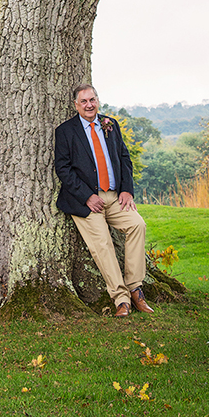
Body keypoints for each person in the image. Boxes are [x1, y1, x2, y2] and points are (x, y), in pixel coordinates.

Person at [54, 83, 153, 318]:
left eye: (92, 100)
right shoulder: (66, 131)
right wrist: (87, 196)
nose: (89, 105)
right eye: (84, 101)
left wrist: (127, 190)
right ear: (76, 105)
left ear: (98, 100)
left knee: (137, 225)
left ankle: (135, 288)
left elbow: (124, 158)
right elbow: (63, 168)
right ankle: (121, 299)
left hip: (115, 196)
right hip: (85, 200)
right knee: (103, 245)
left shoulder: (110, 124)